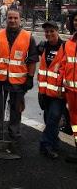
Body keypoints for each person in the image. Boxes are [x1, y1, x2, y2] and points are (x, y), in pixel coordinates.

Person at [0, 8, 39, 141]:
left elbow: (32, 60)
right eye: (10, 18)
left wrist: (30, 78)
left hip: (19, 81)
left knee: (17, 108)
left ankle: (14, 132)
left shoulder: (28, 37)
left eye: (15, 18)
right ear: (6, 19)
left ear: (20, 19)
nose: (12, 20)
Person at [37, 21, 65, 159]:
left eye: (51, 31)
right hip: (44, 92)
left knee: (53, 118)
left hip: (58, 93)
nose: (49, 34)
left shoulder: (65, 47)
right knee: (48, 119)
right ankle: (55, 141)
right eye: (47, 31)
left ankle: (45, 145)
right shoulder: (43, 46)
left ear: (57, 30)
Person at [60, 11, 77, 163]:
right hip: (71, 92)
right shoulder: (69, 43)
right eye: (76, 20)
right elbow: (64, 65)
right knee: (75, 124)